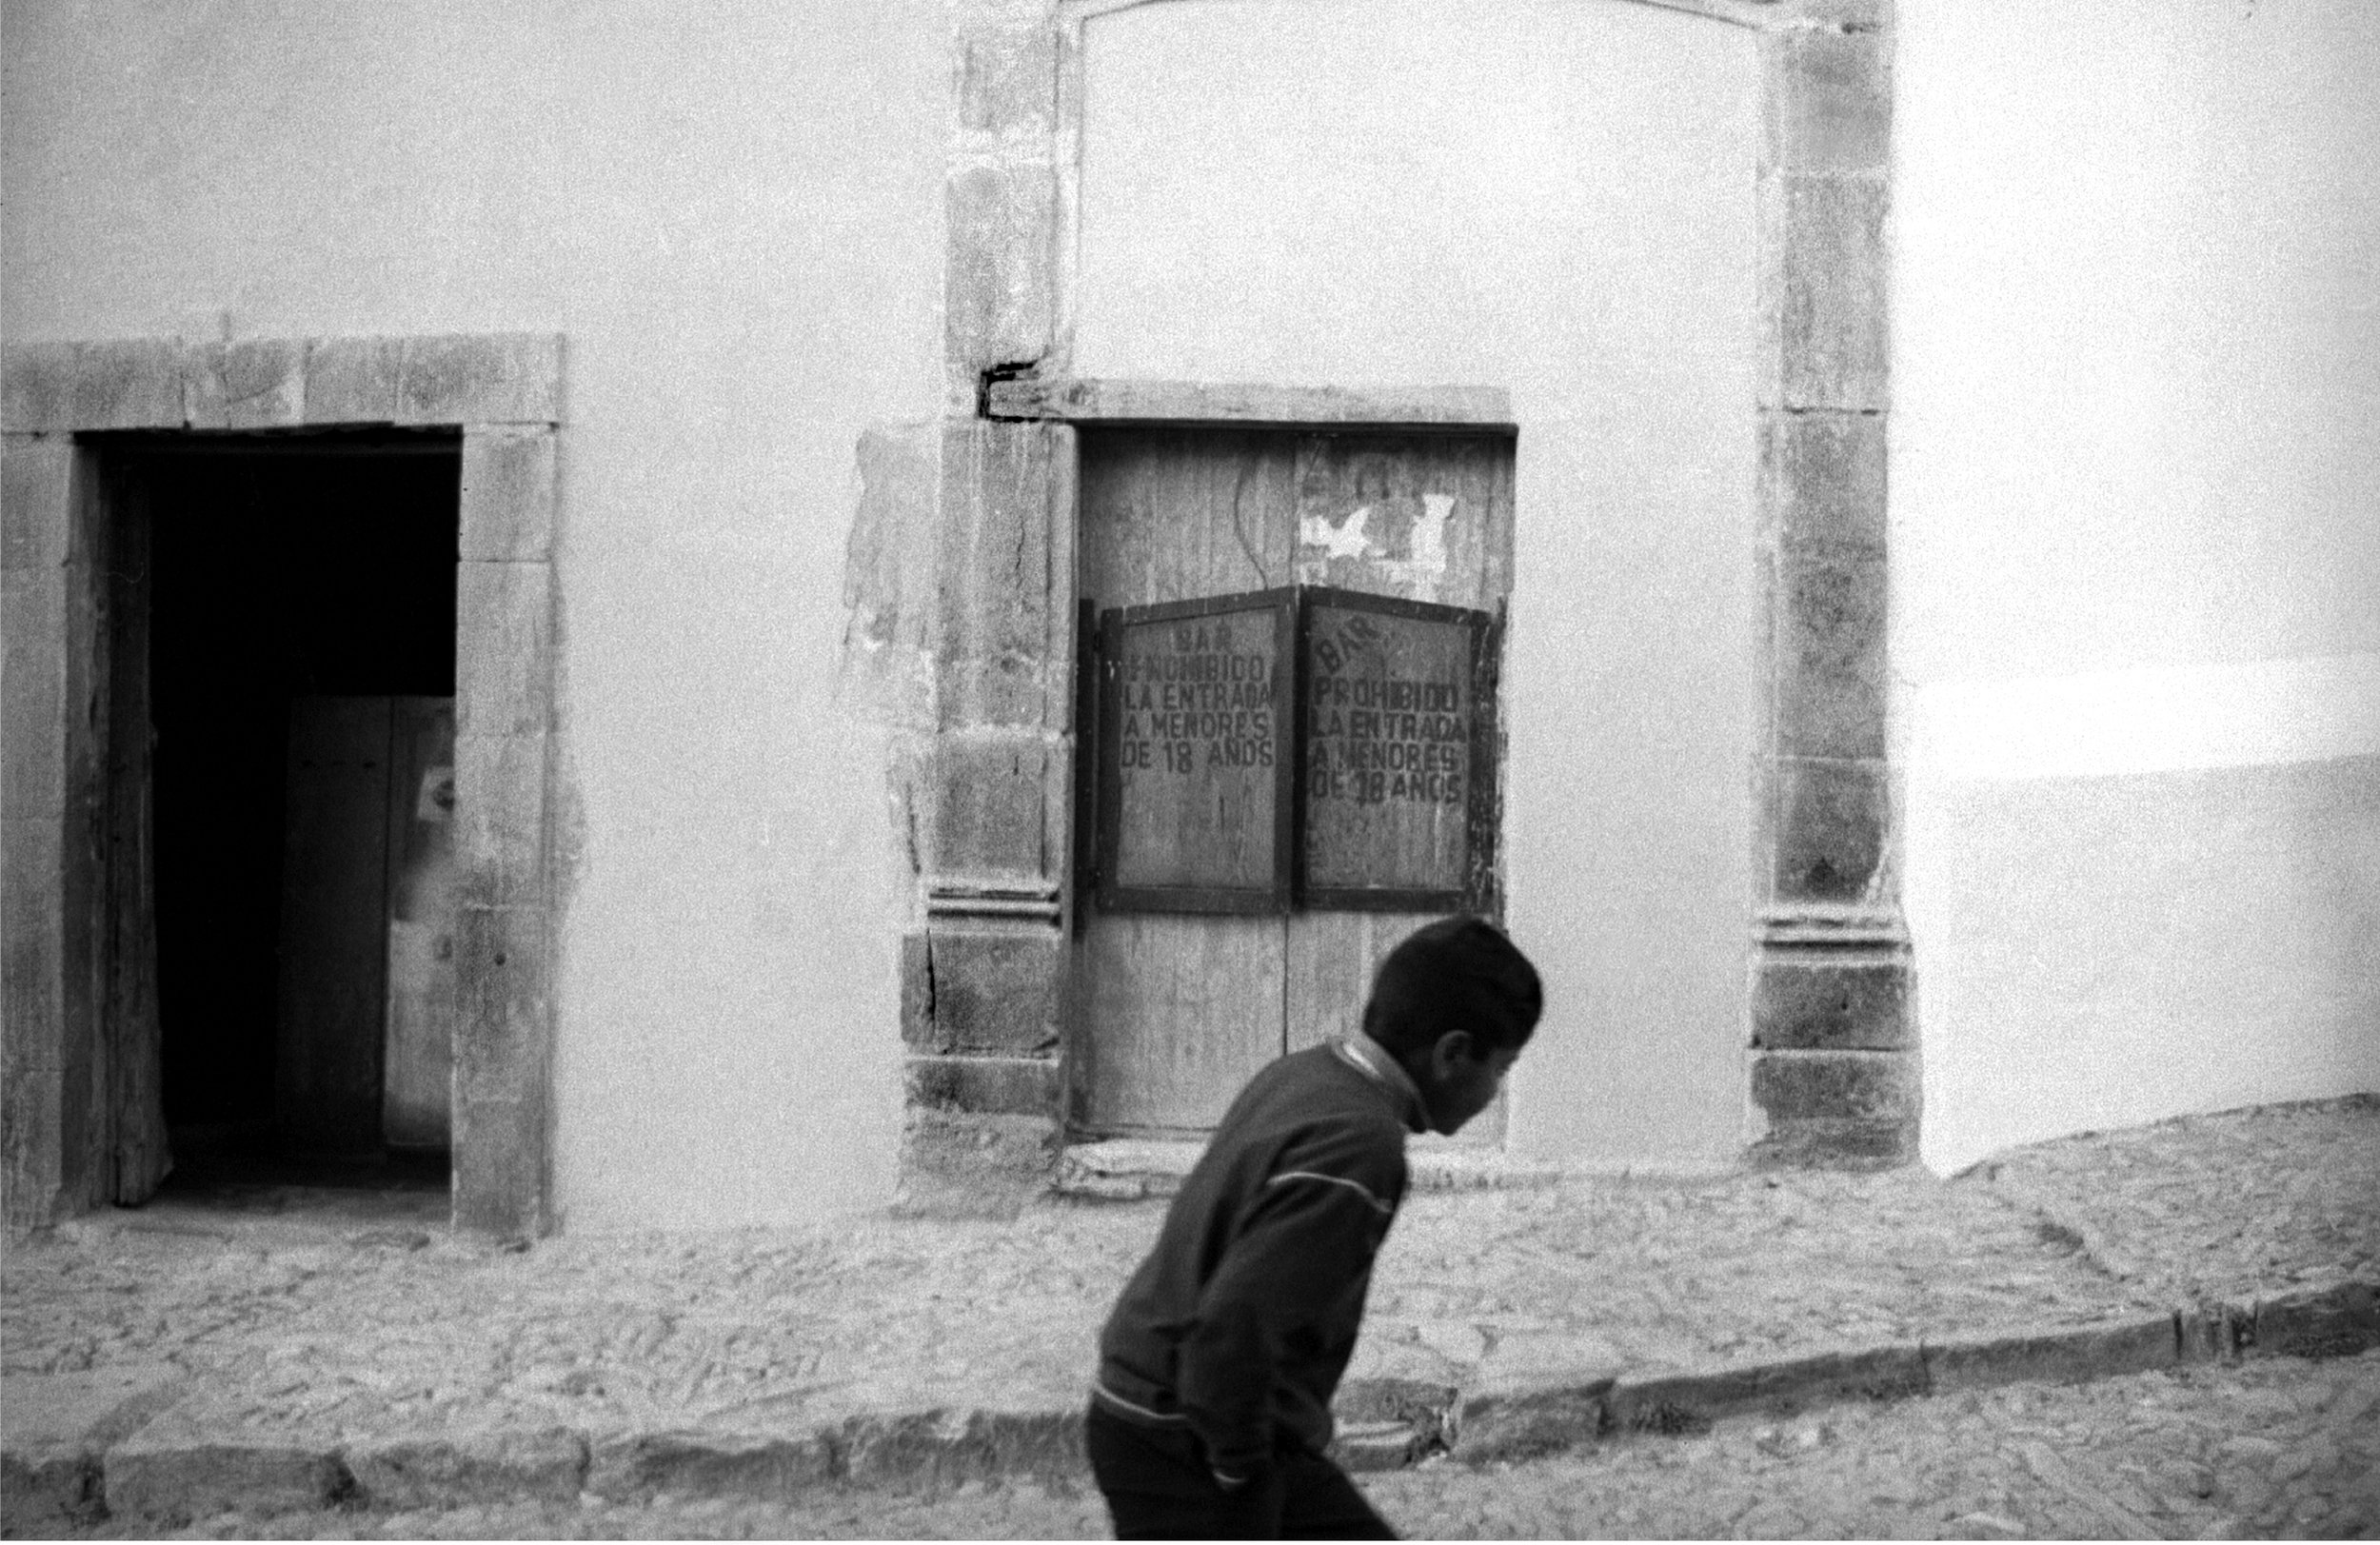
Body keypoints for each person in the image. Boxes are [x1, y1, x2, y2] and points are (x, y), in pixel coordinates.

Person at [1085, 916, 1544, 1539]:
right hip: (1186, 1436)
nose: (1495, 1090)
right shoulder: (1360, 1147)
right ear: (1451, 1053)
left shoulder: (1308, 1072)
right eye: (1502, 1067)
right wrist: (1242, 1476)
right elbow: (1232, 1328)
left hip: (1190, 1413)